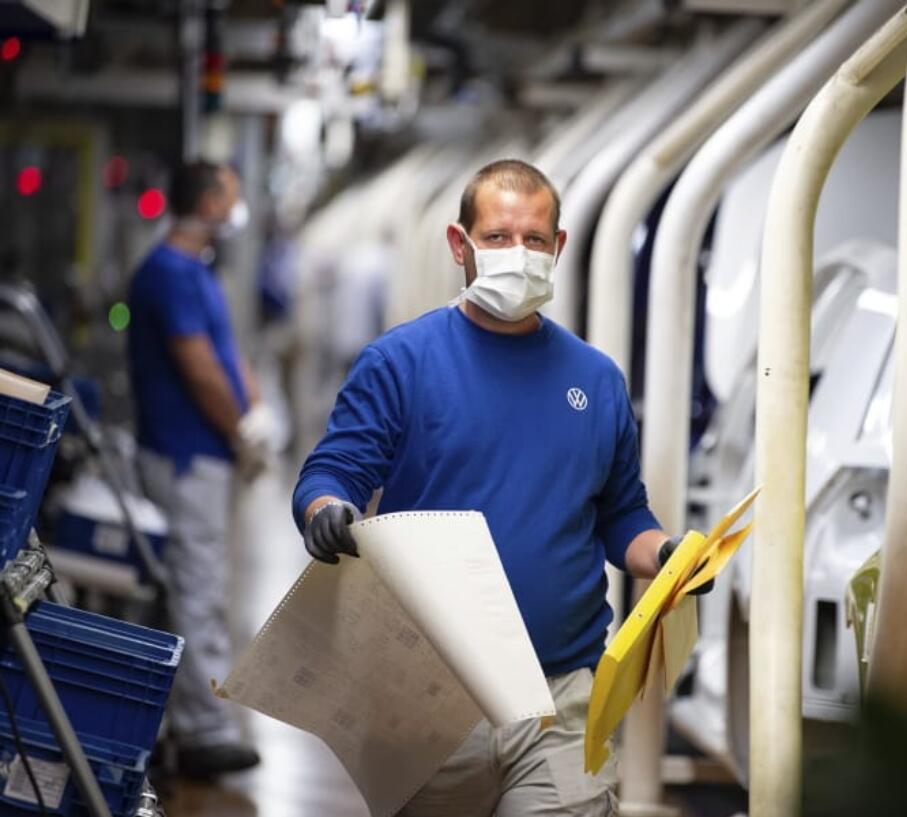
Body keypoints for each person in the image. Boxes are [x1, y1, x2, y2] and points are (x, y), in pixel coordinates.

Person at [293, 159, 707, 817]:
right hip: (429, 693)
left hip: (559, 697)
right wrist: (325, 510)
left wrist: (666, 556)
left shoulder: (596, 381)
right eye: (497, 236)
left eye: (534, 239)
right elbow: (334, 471)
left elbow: (622, 513)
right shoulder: (401, 362)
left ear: (559, 247)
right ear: (461, 245)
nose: (518, 254)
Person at [128, 160, 274, 778]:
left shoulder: (196, 271)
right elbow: (199, 366)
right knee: (198, 591)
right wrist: (237, 429)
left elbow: (226, 350)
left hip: (204, 455)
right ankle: (204, 731)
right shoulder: (168, 273)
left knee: (200, 586)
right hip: (187, 457)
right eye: (231, 197)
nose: (235, 211)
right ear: (210, 202)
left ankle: (186, 716)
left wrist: (256, 406)